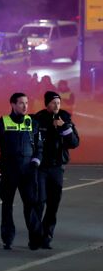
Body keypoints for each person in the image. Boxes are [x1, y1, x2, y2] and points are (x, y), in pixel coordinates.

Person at [0, 92, 44, 250]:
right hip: (9, 169)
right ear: (12, 104)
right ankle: (8, 239)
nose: (25, 106)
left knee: (31, 204)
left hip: (28, 171)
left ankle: (35, 239)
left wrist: (35, 162)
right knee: (7, 205)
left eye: (26, 103)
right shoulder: (2, 122)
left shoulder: (32, 123)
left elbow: (39, 147)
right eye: (21, 103)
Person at [33, 91, 80, 249]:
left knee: (53, 204)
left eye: (58, 103)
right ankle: (35, 235)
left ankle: (47, 236)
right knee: (39, 202)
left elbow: (74, 143)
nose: (56, 106)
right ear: (47, 104)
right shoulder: (38, 119)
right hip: (41, 167)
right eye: (53, 103)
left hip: (57, 167)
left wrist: (64, 128)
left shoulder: (65, 118)